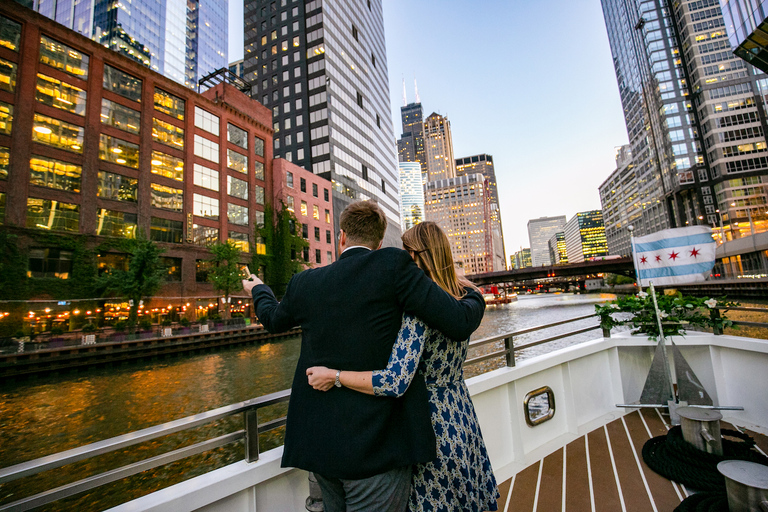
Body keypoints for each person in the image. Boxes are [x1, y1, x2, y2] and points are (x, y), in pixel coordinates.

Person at [242, 201, 485, 512]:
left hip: (319, 444)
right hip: (376, 447)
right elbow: (458, 321)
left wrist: (259, 288)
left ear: (341, 237)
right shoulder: (394, 266)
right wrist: (475, 293)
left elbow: (273, 319)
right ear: (380, 242)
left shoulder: (306, 281)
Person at [306, 221, 500, 512]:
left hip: (429, 425)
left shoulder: (419, 313)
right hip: (461, 414)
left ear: (415, 258)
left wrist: (334, 376)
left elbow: (395, 380)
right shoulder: (464, 299)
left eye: (404, 255)